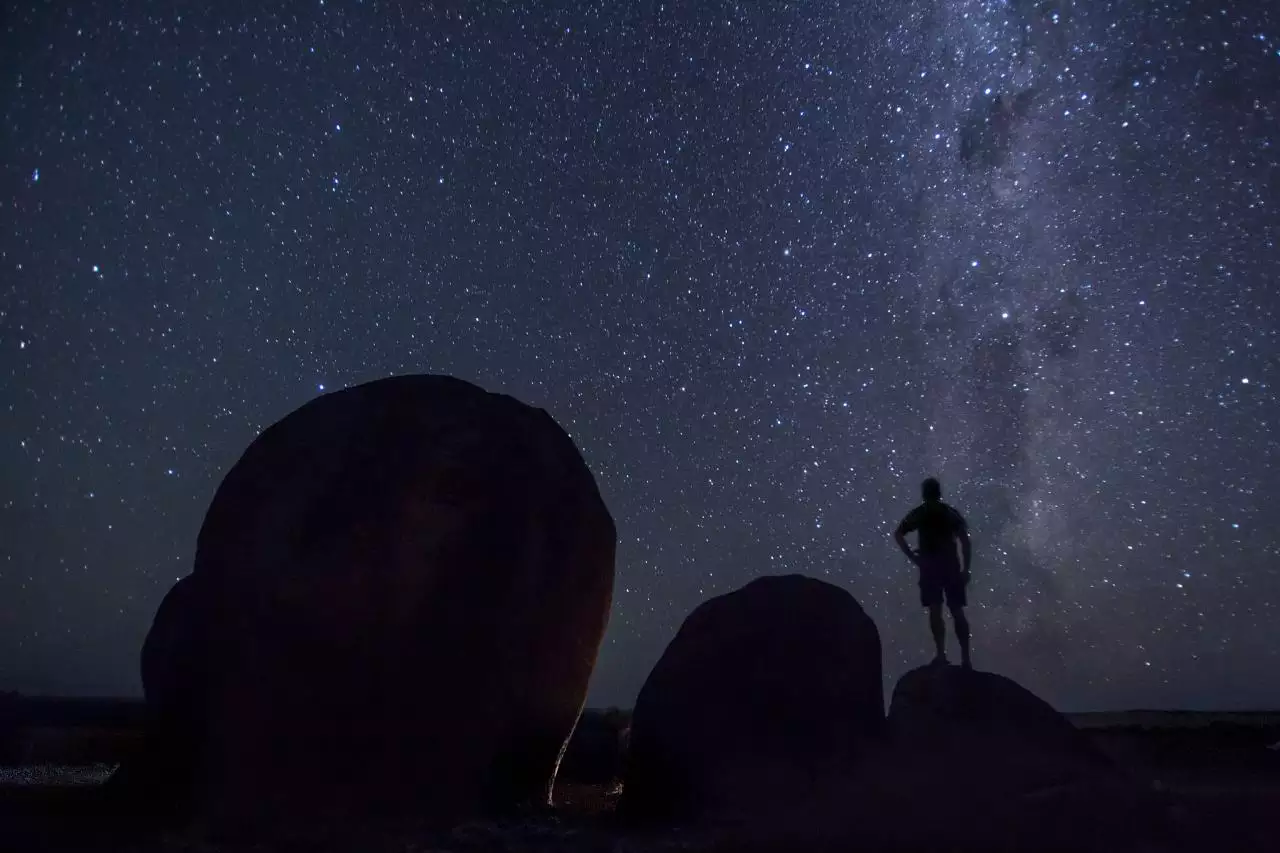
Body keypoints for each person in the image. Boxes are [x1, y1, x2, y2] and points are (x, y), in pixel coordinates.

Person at [893, 477, 972, 668]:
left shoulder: (921, 513)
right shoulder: (949, 513)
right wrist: (966, 569)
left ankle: (941, 655)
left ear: (924, 494)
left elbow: (898, 534)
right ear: (939, 493)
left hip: (930, 567)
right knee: (956, 610)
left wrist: (913, 557)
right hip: (950, 565)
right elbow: (965, 541)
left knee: (936, 610)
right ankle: (965, 658)